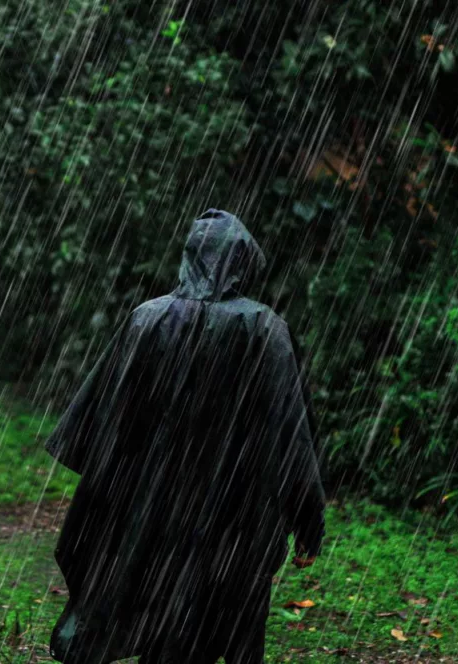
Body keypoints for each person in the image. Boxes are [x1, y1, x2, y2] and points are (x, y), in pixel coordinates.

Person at [45, 209, 326, 664]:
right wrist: (306, 518)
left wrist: (115, 492)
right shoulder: (264, 329)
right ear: (242, 262)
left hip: (150, 510)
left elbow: (106, 421)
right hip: (233, 518)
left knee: (159, 621)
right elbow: (291, 433)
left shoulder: (147, 320)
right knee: (224, 625)